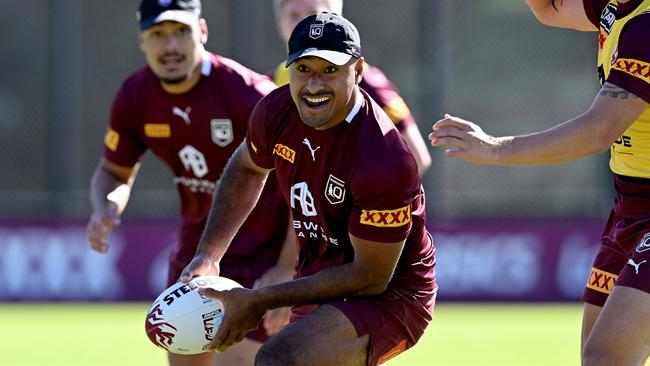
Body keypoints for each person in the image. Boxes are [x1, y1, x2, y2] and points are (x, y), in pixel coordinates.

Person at [180, 12, 437, 366]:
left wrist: (261, 299)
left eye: (330, 70)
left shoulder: (384, 158)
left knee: (279, 359)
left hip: (392, 296)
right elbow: (245, 169)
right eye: (303, 70)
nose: (313, 85)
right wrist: (208, 256)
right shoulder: (275, 110)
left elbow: (370, 277)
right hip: (321, 274)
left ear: (358, 71)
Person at [429, 0, 650, 364]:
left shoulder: (645, 28)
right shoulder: (614, 6)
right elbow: (549, 9)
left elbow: (598, 131)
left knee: (606, 356)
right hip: (629, 209)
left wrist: (496, 148)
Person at [86, 1, 295, 365]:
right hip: (196, 256)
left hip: (266, 257)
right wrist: (106, 205)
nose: (170, 45)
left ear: (202, 31)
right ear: (142, 41)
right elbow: (114, 172)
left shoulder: (248, 94)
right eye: (158, 35)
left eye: (181, 32)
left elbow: (304, 181)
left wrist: (289, 267)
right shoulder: (135, 97)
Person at [271, 0, 432, 176]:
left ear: (336, 19)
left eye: (313, 15)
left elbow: (416, 158)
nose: (304, 24)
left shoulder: (366, 82)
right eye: (293, 16)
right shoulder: (270, 84)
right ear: (279, 25)